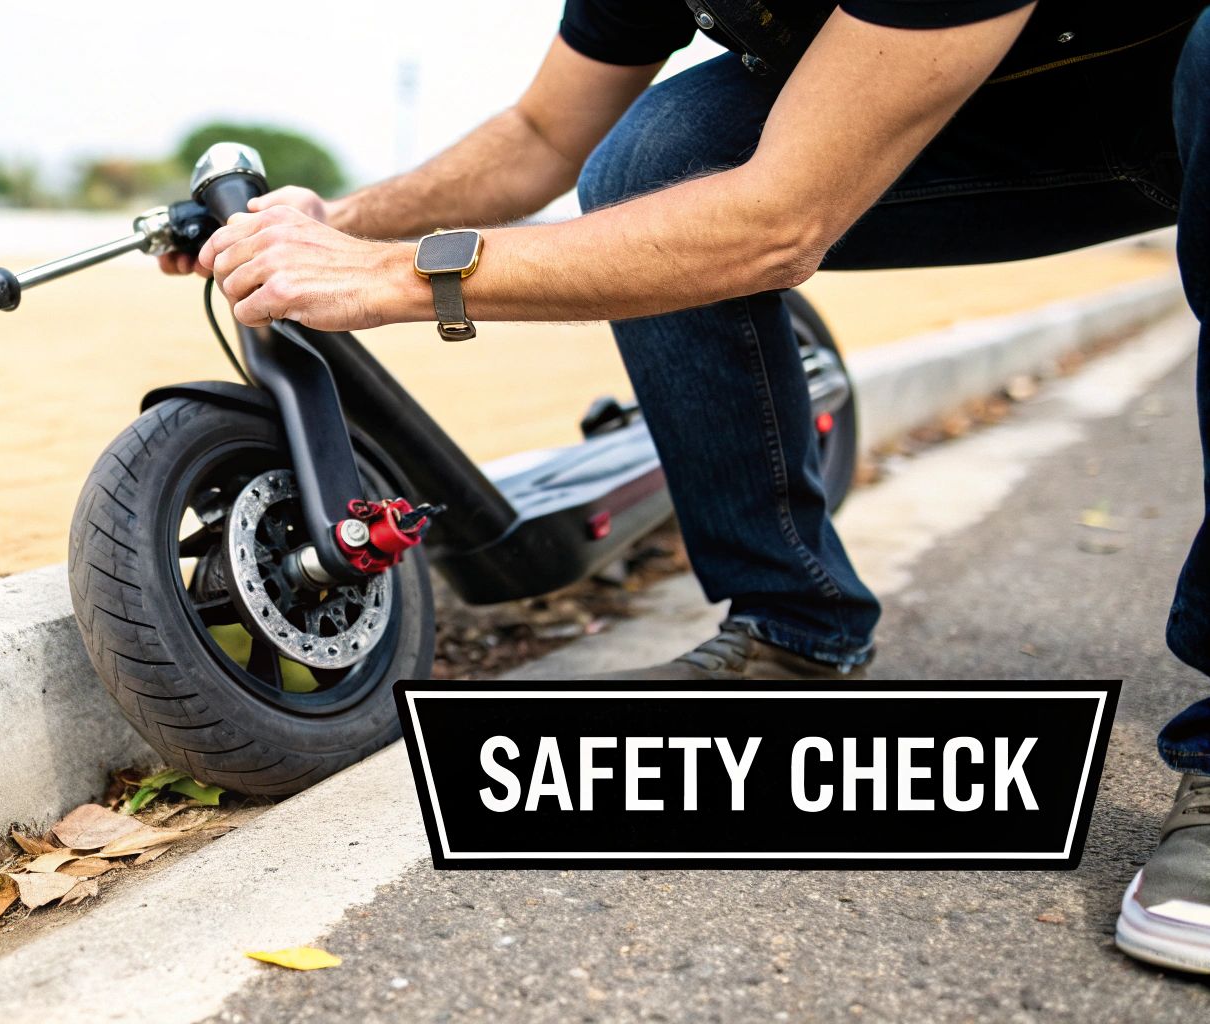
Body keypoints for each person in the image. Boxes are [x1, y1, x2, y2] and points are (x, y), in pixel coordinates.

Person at [170, 0, 1210, 975]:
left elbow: (776, 223)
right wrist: (331, 226)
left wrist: (401, 274)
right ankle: (790, 630)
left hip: (1164, 85)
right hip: (960, 102)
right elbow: (542, 134)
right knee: (653, 162)